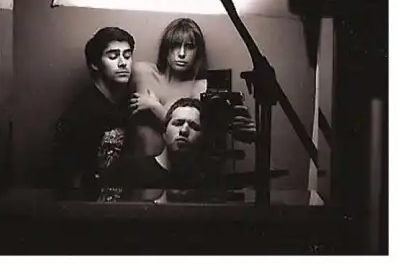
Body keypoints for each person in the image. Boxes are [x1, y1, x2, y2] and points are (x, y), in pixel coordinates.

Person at [129, 17, 255, 156]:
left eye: (189, 46)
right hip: (137, 165)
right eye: (176, 45)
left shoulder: (203, 88)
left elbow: (202, 139)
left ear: (198, 51)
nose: (181, 54)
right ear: (166, 48)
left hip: (181, 166)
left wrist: (155, 108)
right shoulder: (142, 72)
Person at [51, 27, 136, 202]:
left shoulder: (129, 105)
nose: (123, 63)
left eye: (127, 56)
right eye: (113, 56)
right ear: (95, 64)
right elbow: (68, 178)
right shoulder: (80, 114)